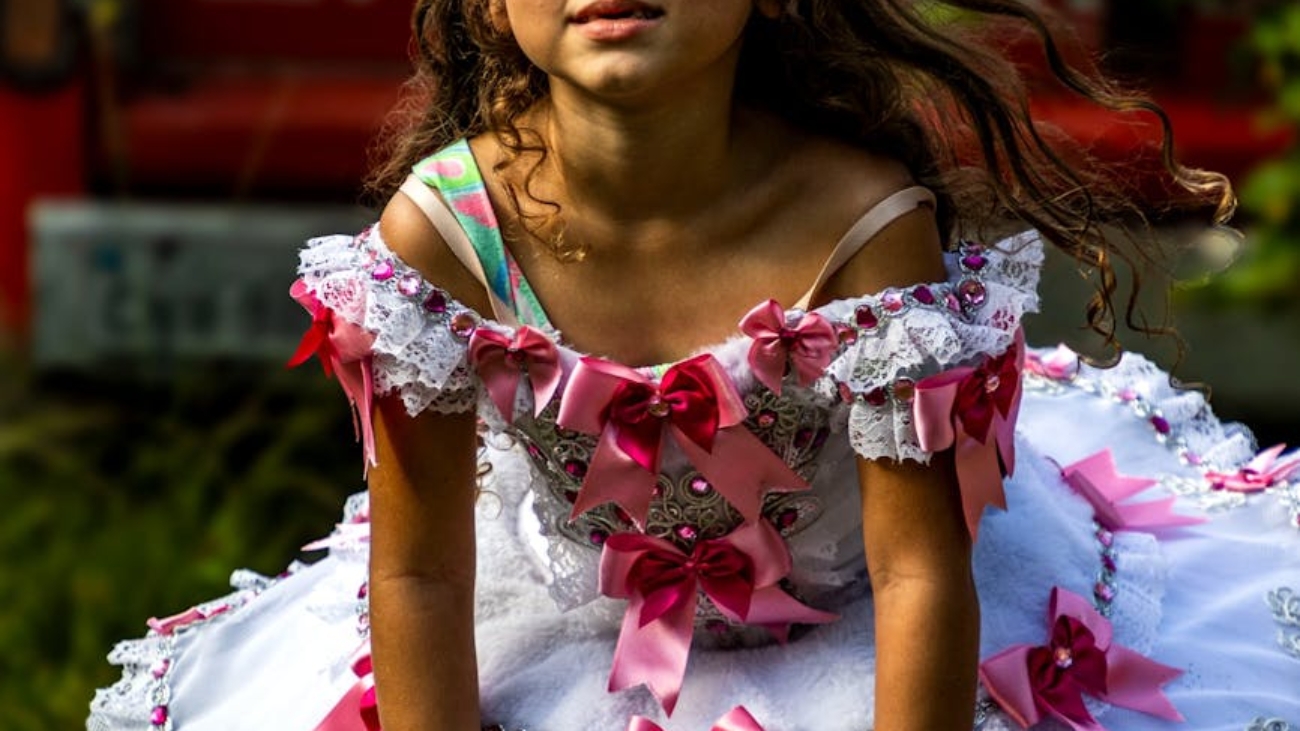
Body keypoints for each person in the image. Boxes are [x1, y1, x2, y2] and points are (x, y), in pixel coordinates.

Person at [89, 1, 1300, 730]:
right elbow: (417, 572)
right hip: (574, 628)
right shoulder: (444, 232)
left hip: (866, 620)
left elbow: (918, 569)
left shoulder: (861, 225)